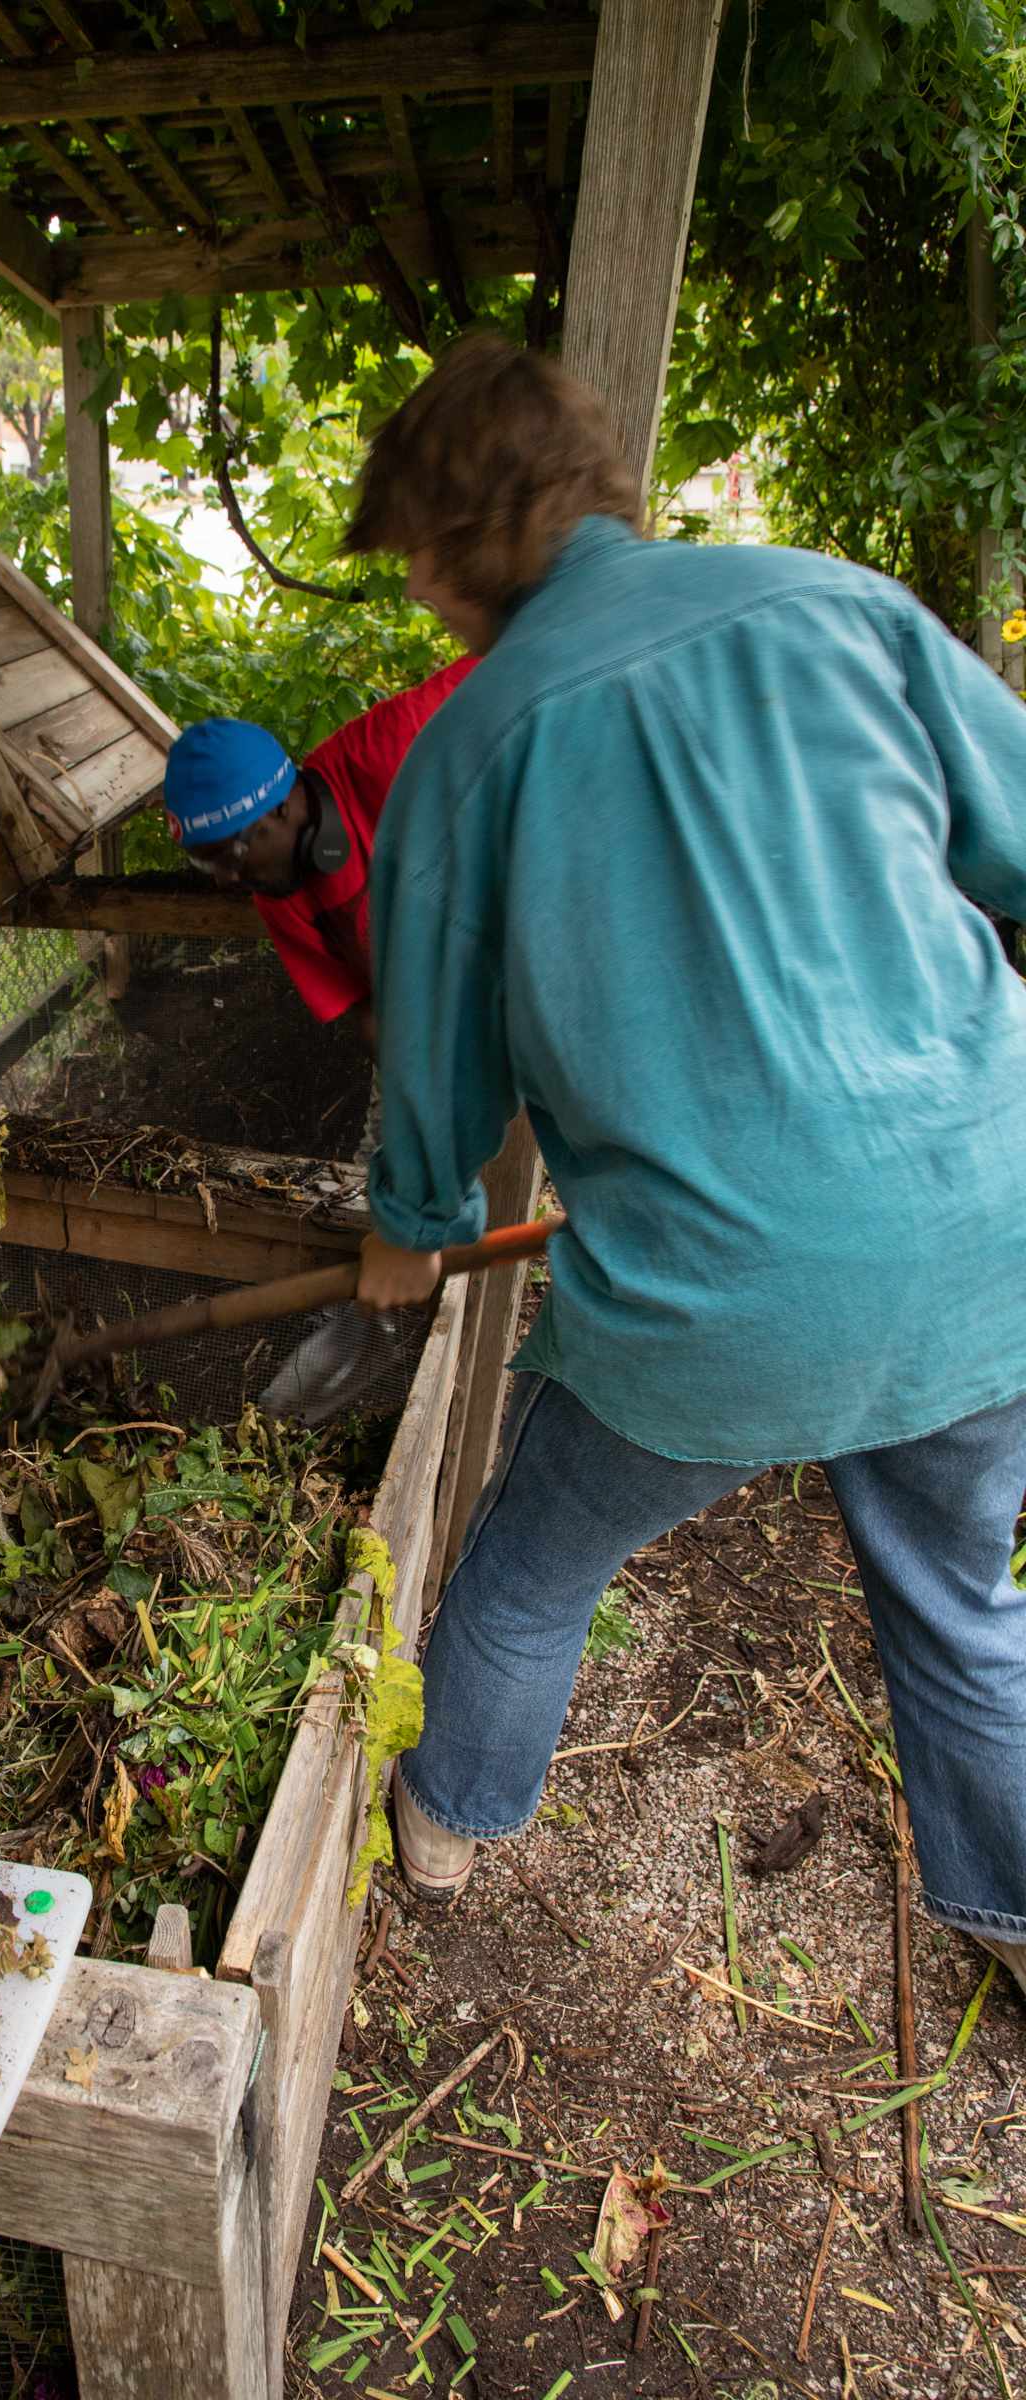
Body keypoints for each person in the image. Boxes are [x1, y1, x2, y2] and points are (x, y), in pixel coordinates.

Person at [343, 331, 1026, 2003]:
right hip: (990, 1229)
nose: (422, 595)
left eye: (418, 561)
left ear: (456, 544)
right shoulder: (840, 609)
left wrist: (409, 1232)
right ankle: (1017, 1917)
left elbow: (437, 1059)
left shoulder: (472, 750)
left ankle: (441, 1828)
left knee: (527, 1566)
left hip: (727, 1301)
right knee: (960, 1603)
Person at [161, 658, 477, 1057]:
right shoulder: (278, 890)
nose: (226, 879)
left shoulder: (398, 745)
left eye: (229, 855)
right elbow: (369, 1013)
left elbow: (525, 658)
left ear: (278, 810)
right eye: (205, 863)